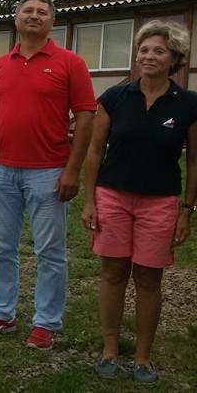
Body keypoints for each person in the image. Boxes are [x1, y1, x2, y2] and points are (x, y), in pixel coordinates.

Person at [0, 0, 97, 350]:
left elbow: (86, 117)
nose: (35, 15)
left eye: (42, 11)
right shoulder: (0, 64)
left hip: (49, 171)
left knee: (50, 252)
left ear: (52, 21)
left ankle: (46, 322)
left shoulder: (70, 63)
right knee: (0, 248)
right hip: (1, 170)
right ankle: (2, 312)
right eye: (28, 10)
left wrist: (72, 171)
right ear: (16, 19)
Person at [81, 20, 195, 383]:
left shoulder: (189, 104)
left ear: (174, 58)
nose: (149, 56)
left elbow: (194, 161)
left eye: (159, 51)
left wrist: (187, 211)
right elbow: (94, 151)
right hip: (112, 197)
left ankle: (143, 356)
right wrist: (89, 201)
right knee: (113, 273)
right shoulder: (114, 98)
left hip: (160, 202)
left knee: (148, 279)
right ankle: (110, 350)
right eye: (144, 49)